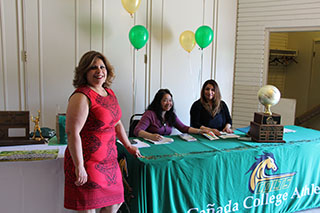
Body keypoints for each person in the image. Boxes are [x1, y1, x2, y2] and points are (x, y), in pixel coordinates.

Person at [64, 50, 142, 213]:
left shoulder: (110, 93)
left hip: (109, 161)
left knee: (115, 203)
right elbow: (72, 133)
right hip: (88, 161)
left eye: (102, 67)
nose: (99, 71)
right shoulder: (81, 96)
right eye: (93, 68)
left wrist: (128, 146)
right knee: (88, 208)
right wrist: (79, 166)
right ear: (84, 72)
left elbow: (117, 122)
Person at [134, 89, 206, 141]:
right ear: (158, 102)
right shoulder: (150, 114)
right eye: (165, 100)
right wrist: (151, 136)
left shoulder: (171, 115)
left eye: (170, 100)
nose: (168, 103)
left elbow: (183, 128)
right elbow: (137, 130)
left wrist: (199, 131)